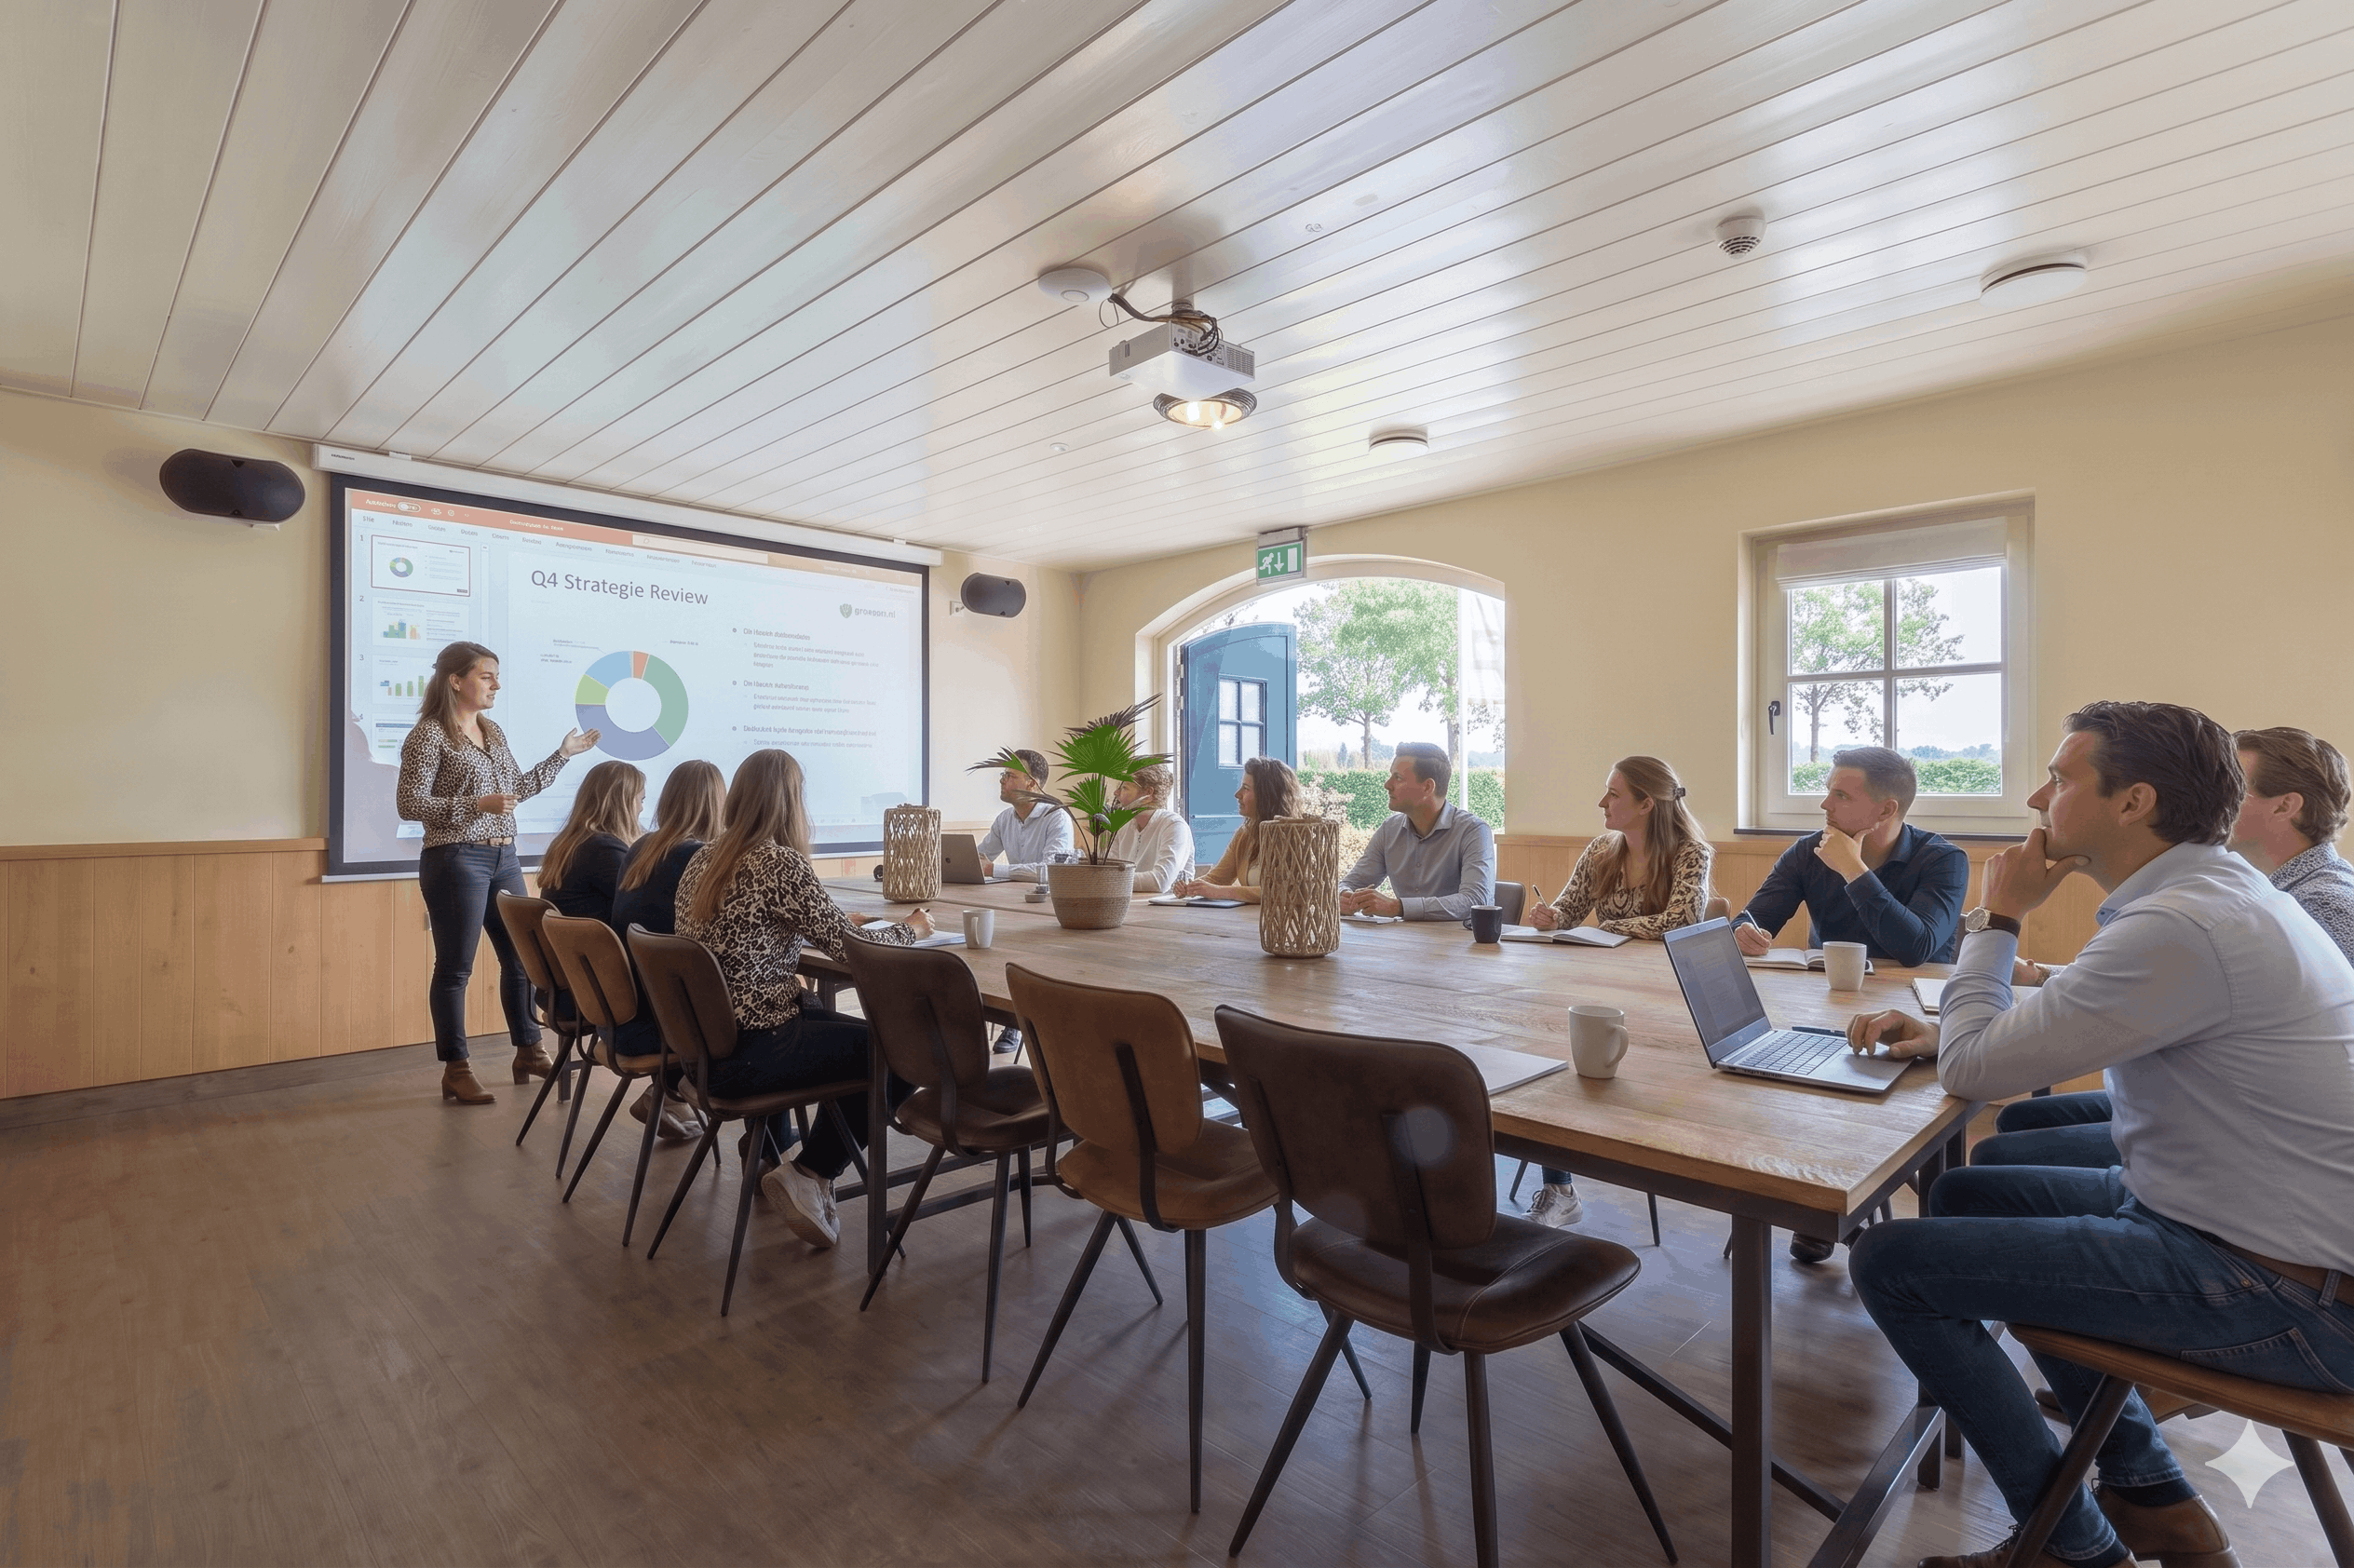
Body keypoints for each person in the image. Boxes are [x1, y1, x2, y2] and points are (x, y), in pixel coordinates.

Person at [1843, 700, 2354, 1568]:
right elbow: (2072, 1017)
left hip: (2291, 1291)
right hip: (2240, 1225)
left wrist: (1998, 919)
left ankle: (2074, 1548)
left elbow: (1971, 1074)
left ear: (2134, 802)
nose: (2040, 798)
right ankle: (2149, 1495)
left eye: (2061, 776)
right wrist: (1956, 1032)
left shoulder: (2183, 924)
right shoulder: (2214, 894)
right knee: (1968, 1190)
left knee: (1892, 1264)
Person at [1972, 723, 2354, 1172]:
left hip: (2259, 1135)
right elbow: (2181, 986)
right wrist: (2042, 977)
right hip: (2221, 1095)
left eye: (2234, 788)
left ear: (2286, 806)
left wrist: (1997, 920)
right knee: (2021, 1117)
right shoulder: (2251, 886)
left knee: (1996, 1155)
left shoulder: (2326, 903)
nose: (2214, 800)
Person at [675, 750, 932, 1249]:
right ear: (792, 801)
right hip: (754, 1049)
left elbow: (761, 927)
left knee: (829, 1022)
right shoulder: (779, 862)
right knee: (906, 1048)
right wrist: (910, 929)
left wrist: (832, 919)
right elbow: (858, 955)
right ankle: (811, 1172)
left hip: (703, 1051)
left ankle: (778, 1151)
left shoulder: (704, 858)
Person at [397, 640, 598, 1106]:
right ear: (456, 681)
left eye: (496, 676)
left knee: (524, 959)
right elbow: (409, 805)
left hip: (504, 855)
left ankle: (528, 1049)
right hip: (455, 858)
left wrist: (563, 754)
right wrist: (474, 804)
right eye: (487, 676)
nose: (497, 685)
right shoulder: (429, 735)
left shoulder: (493, 731)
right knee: (455, 968)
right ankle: (457, 1068)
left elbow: (517, 789)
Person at [1522, 757, 1713, 1229]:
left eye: (1614, 794)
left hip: (1665, 1000)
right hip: (1602, 986)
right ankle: (1559, 1186)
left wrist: (1611, 926)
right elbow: (1569, 909)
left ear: (1647, 803)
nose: (1602, 802)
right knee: (1548, 1049)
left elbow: (1682, 922)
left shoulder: (1692, 853)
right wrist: (1551, 917)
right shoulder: (1601, 849)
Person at [1732, 745, 1968, 966]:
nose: (1825, 804)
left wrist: (1852, 868)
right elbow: (1752, 918)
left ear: (1886, 810)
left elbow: (1916, 948)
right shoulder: (1808, 851)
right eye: (1828, 792)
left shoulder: (1945, 860)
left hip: (1913, 1002)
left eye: (1841, 796)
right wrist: (1743, 933)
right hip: (1829, 995)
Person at [609, 760, 726, 1140]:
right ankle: (774, 1149)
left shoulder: (642, 846)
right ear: (717, 804)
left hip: (622, 1011)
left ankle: (669, 1092)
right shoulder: (698, 857)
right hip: (664, 1023)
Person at [1338, 742, 1495, 923]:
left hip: (1460, 947)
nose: (1387, 785)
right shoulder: (1389, 830)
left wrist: (1397, 907)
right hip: (1404, 943)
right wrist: (1344, 896)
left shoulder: (1474, 831)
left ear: (1428, 787)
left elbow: (1474, 901)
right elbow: (1349, 883)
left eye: (1397, 777)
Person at [1172, 756, 1301, 903]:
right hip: (1247, 920)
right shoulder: (1245, 834)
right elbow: (1217, 879)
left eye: (1246, 789)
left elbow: (1284, 891)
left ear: (1267, 795)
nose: (1237, 794)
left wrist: (1220, 892)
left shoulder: (1295, 836)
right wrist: (1191, 888)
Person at [536, 761, 644, 926]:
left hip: (573, 948)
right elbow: (641, 904)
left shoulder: (573, 841)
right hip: (602, 949)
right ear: (623, 803)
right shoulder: (603, 850)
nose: (641, 809)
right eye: (641, 800)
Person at [980, 747, 1075, 880]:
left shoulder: (1057, 817)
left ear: (1032, 784)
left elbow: (1054, 871)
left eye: (1010, 776)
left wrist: (993, 869)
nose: (1002, 780)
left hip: (1048, 899)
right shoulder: (1004, 819)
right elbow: (980, 857)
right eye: (1003, 775)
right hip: (1013, 896)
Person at [1103, 762, 1196, 894]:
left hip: (1167, 912)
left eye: (1125, 788)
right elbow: (1107, 871)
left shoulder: (1174, 825)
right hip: (1128, 906)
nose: (1116, 792)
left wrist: (1110, 879)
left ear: (1148, 793)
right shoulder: (1123, 827)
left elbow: (1160, 882)